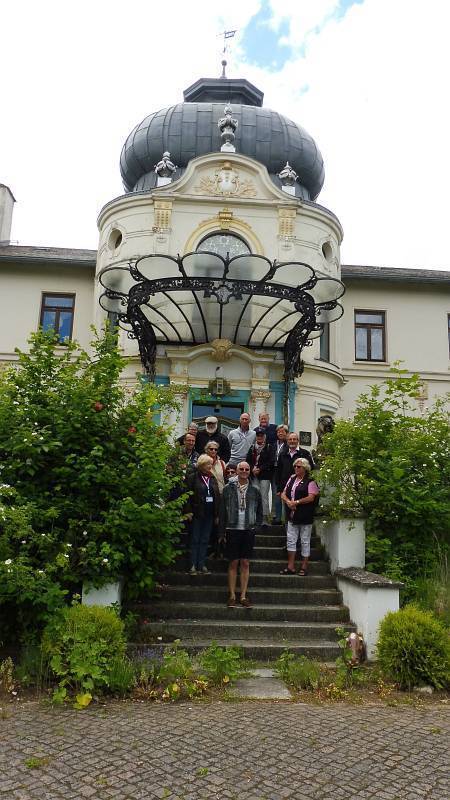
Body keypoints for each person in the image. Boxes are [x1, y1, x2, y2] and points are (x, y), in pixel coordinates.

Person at [220, 461, 263, 608]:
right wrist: (221, 532)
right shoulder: (228, 489)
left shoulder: (255, 490)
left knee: (245, 562)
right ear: (237, 471)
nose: (244, 471)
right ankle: (232, 595)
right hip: (232, 528)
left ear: (249, 471)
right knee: (233, 562)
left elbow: (260, 511)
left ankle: (243, 596)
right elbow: (222, 511)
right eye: (241, 469)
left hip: (248, 529)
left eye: (247, 469)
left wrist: (257, 526)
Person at [280, 458, 319, 576]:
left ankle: (304, 566)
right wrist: (288, 502)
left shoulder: (311, 481)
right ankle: (290, 566)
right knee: (291, 540)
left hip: (305, 515)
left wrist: (296, 502)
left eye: (299, 466)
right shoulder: (292, 479)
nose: (296, 468)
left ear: (305, 468)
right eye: (295, 466)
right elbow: (283, 493)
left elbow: (311, 497)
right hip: (292, 515)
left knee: (305, 541)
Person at [185, 454, 221, 575]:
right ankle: (193, 564)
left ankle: (201, 564)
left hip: (209, 513)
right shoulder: (193, 477)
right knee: (195, 539)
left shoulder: (212, 478)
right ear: (202, 465)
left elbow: (216, 496)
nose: (210, 466)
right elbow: (187, 495)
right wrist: (188, 511)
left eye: (211, 464)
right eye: (208, 464)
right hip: (197, 513)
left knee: (205, 539)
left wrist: (217, 514)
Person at [245, 427, 275, 526]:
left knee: (264, 496)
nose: (260, 437)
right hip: (254, 475)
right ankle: (254, 517)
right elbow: (248, 461)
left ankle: (265, 518)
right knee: (254, 495)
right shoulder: (252, 447)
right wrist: (252, 468)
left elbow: (271, 461)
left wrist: (260, 469)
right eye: (258, 435)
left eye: (261, 435)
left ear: (264, 436)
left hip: (265, 476)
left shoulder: (269, 447)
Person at [276, 431, 315, 498]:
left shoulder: (305, 453)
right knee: (286, 504)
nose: (292, 441)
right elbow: (278, 472)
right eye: (290, 439)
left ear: (298, 441)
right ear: (287, 441)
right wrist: (279, 489)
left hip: (301, 489)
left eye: (294, 439)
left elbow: (310, 470)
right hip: (285, 488)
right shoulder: (282, 454)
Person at [272, 424, 289, 524]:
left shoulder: (289, 445)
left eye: (282, 431)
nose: (280, 433)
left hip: (285, 472)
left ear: (286, 433)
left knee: (287, 494)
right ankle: (278, 517)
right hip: (275, 472)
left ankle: (286, 518)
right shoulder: (274, 444)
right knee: (277, 494)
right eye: (278, 432)